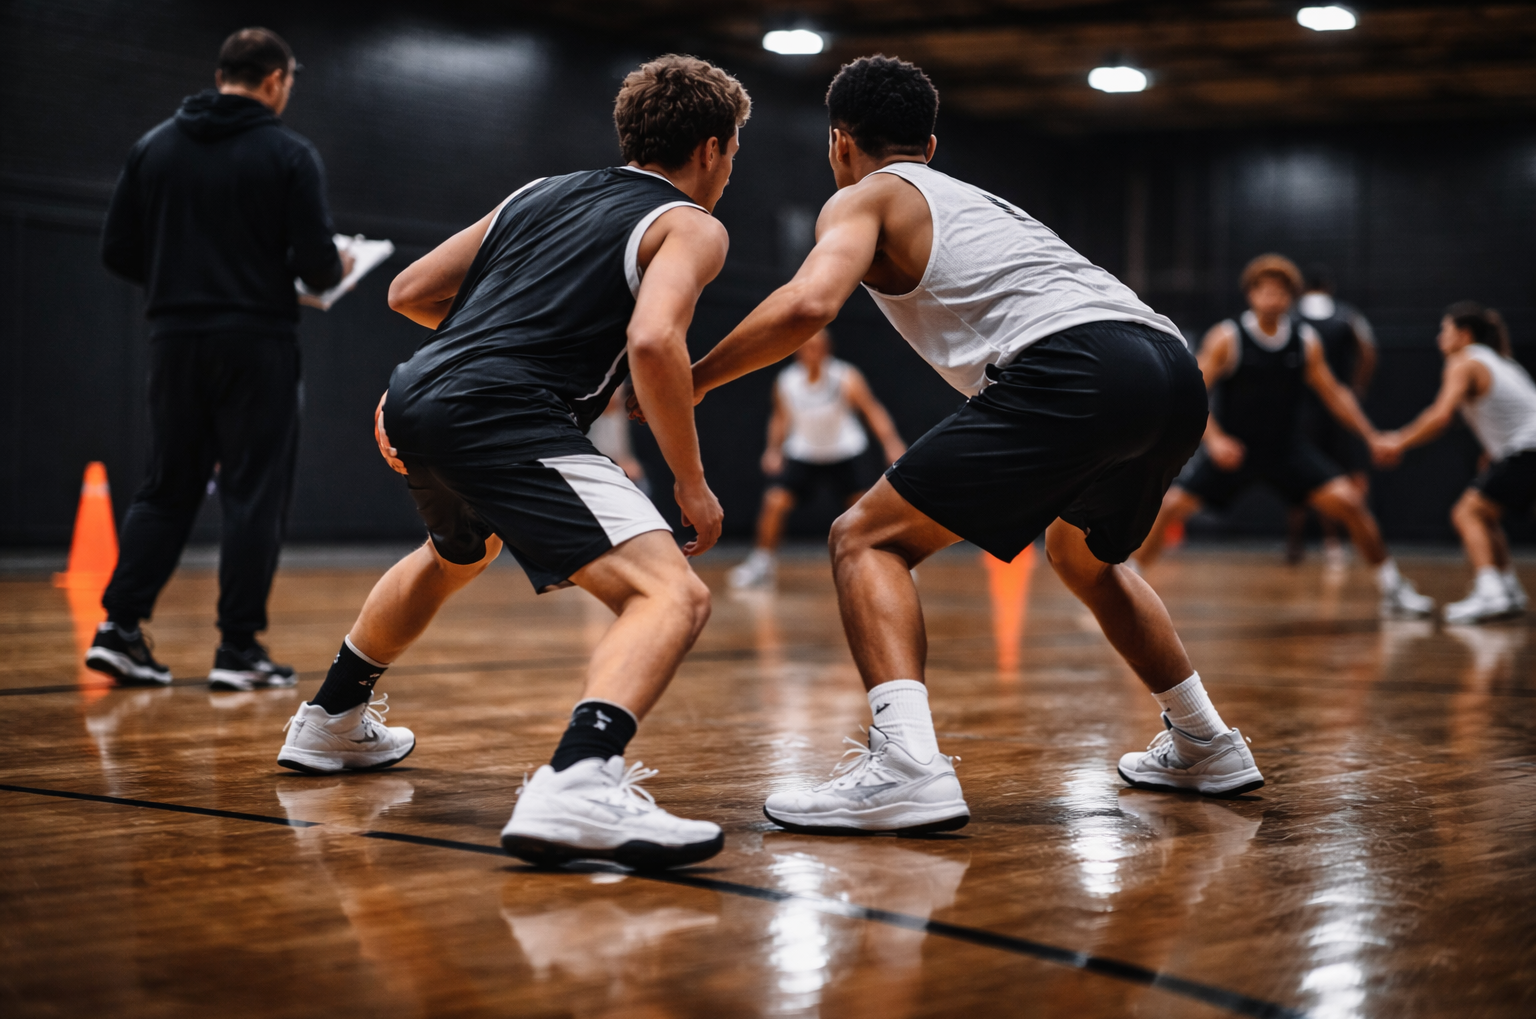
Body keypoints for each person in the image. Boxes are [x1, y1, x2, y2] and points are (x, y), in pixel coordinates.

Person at [678, 55, 1265, 836]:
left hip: (1076, 364)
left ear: (839, 142)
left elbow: (809, 302)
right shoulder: (973, 200)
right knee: (1086, 557)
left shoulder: (865, 196)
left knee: (865, 539)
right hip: (1167, 366)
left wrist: (695, 379)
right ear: (929, 143)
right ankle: (1204, 740)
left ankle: (906, 769)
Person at [273, 55, 750, 870]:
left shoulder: (538, 192)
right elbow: (653, 341)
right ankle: (579, 779)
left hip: (419, 395)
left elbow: (410, 291)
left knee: (458, 551)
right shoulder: (690, 224)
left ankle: (332, 720)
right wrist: (692, 482)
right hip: (502, 411)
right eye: (735, 150)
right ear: (712, 148)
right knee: (671, 596)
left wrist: (455, 369)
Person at [86, 27, 352, 690]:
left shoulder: (155, 147)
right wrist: (336, 263)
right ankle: (238, 651)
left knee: (166, 486)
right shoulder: (289, 153)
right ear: (273, 81)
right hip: (257, 341)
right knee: (252, 492)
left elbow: (117, 251)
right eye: (289, 82)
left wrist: (184, 273)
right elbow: (319, 268)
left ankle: (120, 629)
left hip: (174, 340)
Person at [1131, 254, 1434, 619]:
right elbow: (1194, 394)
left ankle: (1393, 589)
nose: (1273, 297)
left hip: (1288, 451)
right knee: (1171, 507)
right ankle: (1129, 583)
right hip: (1238, 452)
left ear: (1291, 297)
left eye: (1281, 291)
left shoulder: (1305, 342)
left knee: (1351, 503)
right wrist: (1216, 440)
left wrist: (1371, 436)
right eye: (1265, 290)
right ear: (1251, 294)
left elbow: (1335, 396)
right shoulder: (1228, 337)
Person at [1372, 303, 1534, 623]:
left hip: (1527, 450)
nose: (1439, 339)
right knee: (1485, 515)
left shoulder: (1464, 361)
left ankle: (1491, 593)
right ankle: (1507, 589)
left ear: (1464, 335)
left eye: (1444, 330)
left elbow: (1440, 415)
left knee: (1466, 513)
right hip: (1523, 450)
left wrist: (1398, 440)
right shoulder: (1501, 361)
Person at [728, 329, 905, 588]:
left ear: (827, 349)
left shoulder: (845, 377)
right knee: (774, 502)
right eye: (808, 346)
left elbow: (872, 410)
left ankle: (891, 564)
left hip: (845, 452)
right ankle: (761, 565)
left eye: (819, 346)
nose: (814, 351)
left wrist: (892, 443)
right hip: (804, 453)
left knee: (866, 510)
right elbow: (780, 418)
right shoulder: (787, 381)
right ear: (799, 350)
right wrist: (773, 449)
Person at [1285, 265, 1378, 564]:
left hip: (1303, 408)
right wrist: (1357, 386)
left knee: (1300, 473)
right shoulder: (1348, 315)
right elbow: (1368, 350)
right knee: (1340, 474)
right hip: (1336, 408)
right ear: (1329, 288)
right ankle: (1335, 543)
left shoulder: (1291, 319)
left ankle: (1296, 544)